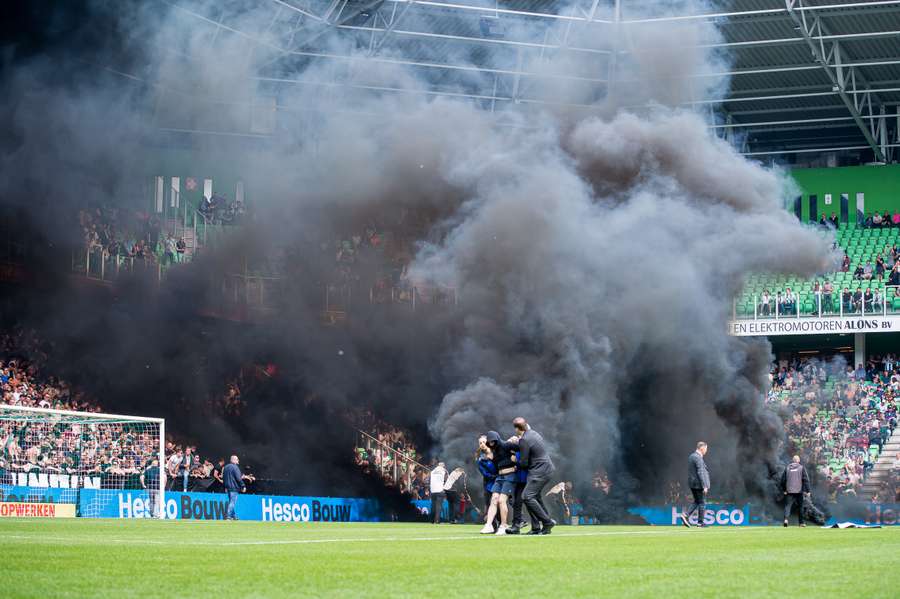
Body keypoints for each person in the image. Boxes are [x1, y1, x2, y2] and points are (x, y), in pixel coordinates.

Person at [511, 417, 556, 535]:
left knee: (527, 496)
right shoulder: (534, 434)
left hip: (539, 471)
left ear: (516, 429)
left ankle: (547, 522)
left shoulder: (524, 440)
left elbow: (524, 463)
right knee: (534, 497)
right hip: (546, 469)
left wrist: (515, 461)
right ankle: (536, 527)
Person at [480, 431, 519, 535]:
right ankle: (488, 525)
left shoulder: (507, 445)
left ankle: (503, 525)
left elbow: (522, 448)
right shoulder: (494, 451)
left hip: (510, 476)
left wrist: (516, 459)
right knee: (494, 499)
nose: (491, 443)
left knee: (502, 501)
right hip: (499, 477)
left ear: (496, 439)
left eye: (493, 441)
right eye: (490, 442)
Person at [680, 441, 710, 528]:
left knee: (697, 501)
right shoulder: (698, 458)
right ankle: (700, 523)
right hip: (698, 484)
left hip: (693, 483)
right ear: (702, 448)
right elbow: (700, 472)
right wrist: (704, 485)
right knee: (702, 503)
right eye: (706, 449)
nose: (706, 451)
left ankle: (685, 515)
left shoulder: (692, 456)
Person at [780, 455, 811, 527]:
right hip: (799, 491)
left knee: (787, 506)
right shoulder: (801, 468)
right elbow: (806, 480)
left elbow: (782, 480)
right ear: (798, 460)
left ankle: (786, 519)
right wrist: (808, 490)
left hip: (789, 491)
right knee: (800, 507)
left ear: (793, 460)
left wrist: (784, 490)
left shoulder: (787, 468)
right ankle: (801, 523)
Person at [475, 436, 498, 530]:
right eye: (480, 443)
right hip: (489, 484)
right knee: (489, 505)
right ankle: (493, 526)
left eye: (484, 442)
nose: (482, 444)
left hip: (501, 481)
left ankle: (503, 525)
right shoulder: (480, 459)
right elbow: (485, 474)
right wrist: (497, 476)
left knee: (500, 503)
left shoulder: (497, 452)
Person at [223, 455, 246, 520]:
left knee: (231, 502)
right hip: (234, 488)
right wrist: (243, 486)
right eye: (237, 459)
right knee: (232, 502)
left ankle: (233, 516)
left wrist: (225, 487)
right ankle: (228, 516)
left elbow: (224, 478)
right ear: (234, 460)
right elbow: (238, 478)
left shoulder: (226, 467)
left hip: (228, 487)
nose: (238, 461)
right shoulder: (235, 467)